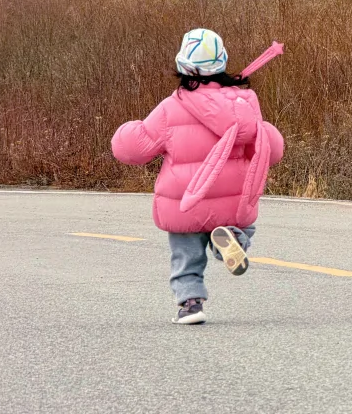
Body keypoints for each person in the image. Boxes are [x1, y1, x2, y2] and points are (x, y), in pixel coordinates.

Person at [111, 27, 285, 324]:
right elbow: (272, 149)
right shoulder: (242, 104)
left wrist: (126, 131)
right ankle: (231, 241)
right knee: (244, 225)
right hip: (231, 202)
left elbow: (135, 148)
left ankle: (191, 304)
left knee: (186, 257)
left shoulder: (171, 107)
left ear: (183, 67)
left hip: (186, 200)